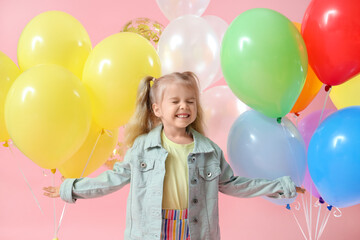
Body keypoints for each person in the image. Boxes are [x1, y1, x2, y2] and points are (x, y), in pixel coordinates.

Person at [44, 71, 305, 240]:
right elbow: (112, 179)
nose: (184, 106)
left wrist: (281, 186)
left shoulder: (208, 151)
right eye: (175, 101)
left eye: (190, 101)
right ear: (157, 109)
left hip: (194, 230)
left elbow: (236, 184)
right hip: (151, 231)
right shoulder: (142, 149)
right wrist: (71, 188)